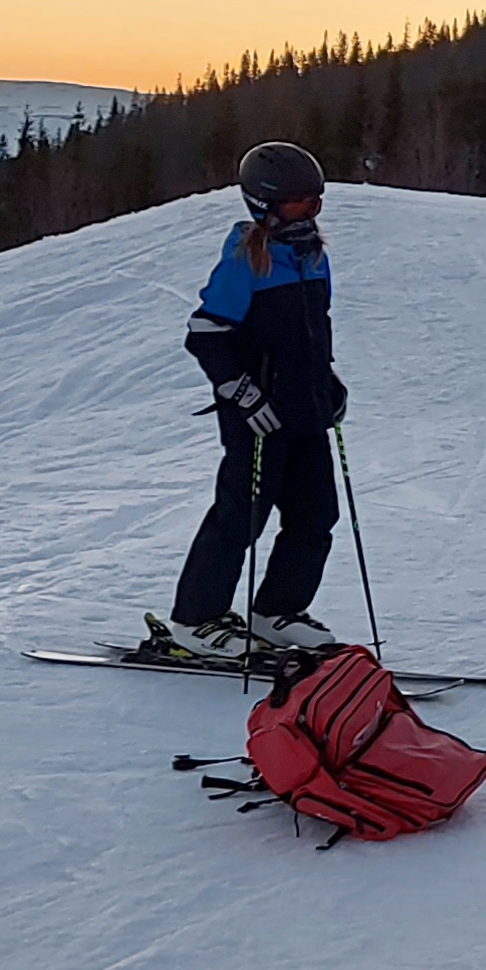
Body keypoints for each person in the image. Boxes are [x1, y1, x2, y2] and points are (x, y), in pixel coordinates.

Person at [159, 141, 347, 654]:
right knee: (240, 518)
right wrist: (243, 394)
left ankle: (276, 612)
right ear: (264, 205)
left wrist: (327, 383)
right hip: (257, 419)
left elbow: (312, 331)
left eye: (315, 201)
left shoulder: (313, 257)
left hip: (305, 412)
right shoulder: (247, 261)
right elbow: (205, 334)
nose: (309, 212)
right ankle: (196, 619)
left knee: (316, 516)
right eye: (298, 203)